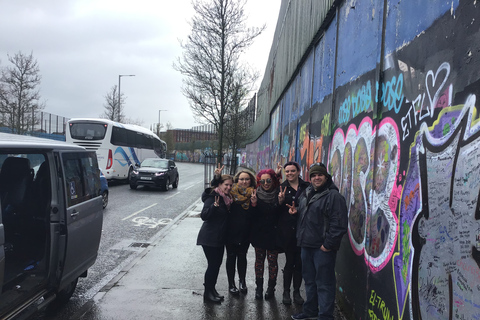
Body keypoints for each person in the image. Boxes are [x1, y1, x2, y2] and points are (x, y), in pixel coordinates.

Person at [288, 163, 348, 320]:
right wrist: (296, 213)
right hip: (306, 245)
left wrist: (328, 245)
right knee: (309, 281)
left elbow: (339, 224)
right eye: (314, 175)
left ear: (326, 177)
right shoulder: (307, 192)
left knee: (324, 283)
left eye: (320, 175)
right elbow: (306, 215)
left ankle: (325, 316)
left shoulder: (333, 196)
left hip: (322, 249)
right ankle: (310, 311)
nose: (317, 178)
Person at [213, 164, 257, 295]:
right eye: (241, 179)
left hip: (245, 231)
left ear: (251, 181)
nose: (244, 181)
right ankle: (231, 284)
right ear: (237, 181)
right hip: (230, 231)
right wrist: (216, 177)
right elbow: (214, 189)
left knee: (242, 257)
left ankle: (242, 281)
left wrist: (254, 204)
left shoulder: (254, 193)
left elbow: (256, 216)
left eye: (247, 179)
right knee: (231, 257)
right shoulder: (230, 193)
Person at [196, 174, 233, 303]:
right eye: (226, 185)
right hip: (209, 237)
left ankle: (212, 290)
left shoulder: (227, 198)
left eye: (230, 185)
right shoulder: (213, 197)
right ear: (219, 185)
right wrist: (214, 207)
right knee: (212, 265)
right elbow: (204, 215)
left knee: (216, 265)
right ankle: (207, 293)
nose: (228, 187)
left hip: (219, 238)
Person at [278, 161, 309, 305]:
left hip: (303, 230)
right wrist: (280, 202)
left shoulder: (307, 187)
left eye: (292, 171)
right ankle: (286, 292)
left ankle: (296, 291)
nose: (290, 173)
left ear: (298, 171)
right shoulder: (282, 188)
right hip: (288, 231)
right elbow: (275, 212)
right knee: (290, 262)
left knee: (300, 263)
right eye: (287, 171)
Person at [250, 168, 282, 300]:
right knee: (259, 262)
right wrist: (254, 204)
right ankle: (259, 288)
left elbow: (281, 215)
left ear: (273, 180)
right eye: (262, 181)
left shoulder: (279, 193)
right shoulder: (255, 194)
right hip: (259, 234)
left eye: (268, 180)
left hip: (274, 235)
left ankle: (271, 288)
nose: (266, 183)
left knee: (272, 262)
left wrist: (280, 203)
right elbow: (251, 217)